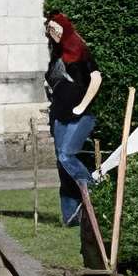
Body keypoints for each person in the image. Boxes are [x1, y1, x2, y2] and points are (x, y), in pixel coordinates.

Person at [43, 12, 102, 229]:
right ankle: (71, 217)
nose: (53, 32)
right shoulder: (56, 54)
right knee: (62, 166)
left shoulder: (80, 51)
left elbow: (96, 78)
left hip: (80, 116)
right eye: (50, 29)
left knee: (67, 156)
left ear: (65, 27)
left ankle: (94, 188)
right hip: (59, 116)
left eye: (56, 28)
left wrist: (82, 106)